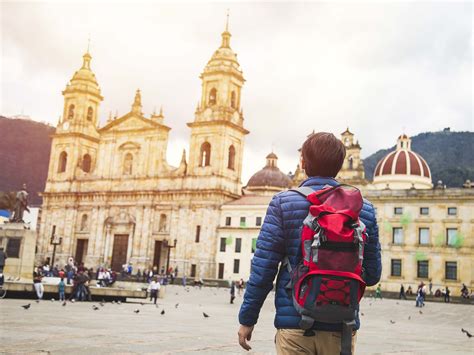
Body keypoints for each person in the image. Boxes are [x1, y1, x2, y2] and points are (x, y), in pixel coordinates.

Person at [238, 132, 382, 354]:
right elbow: (372, 275)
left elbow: (263, 269)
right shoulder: (364, 209)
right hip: (342, 327)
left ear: (303, 163)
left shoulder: (282, 203)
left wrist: (247, 319)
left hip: (294, 324)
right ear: (340, 164)